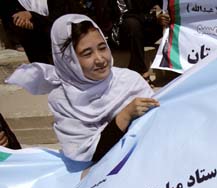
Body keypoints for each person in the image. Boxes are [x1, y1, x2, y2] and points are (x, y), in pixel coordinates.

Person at [7, 14, 159, 162]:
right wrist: (125, 115)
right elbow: (89, 154)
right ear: (68, 60)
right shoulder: (63, 100)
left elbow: (159, 124)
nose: (100, 59)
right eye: (87, 53)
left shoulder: (129, 80)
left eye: (102, 48)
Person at [1, 0, 85, 63]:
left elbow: (62, 16)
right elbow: (10, 18)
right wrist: (22, 23)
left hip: (65, 42)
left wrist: (31, 15)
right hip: (35, 45)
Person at [106, 0, 170, 80]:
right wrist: (153, 17)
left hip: (146, 29)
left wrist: (160, 12)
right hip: (123, 35)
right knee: (132, 23)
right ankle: (139, 71)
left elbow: (156, 6)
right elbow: (123, 16)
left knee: (169, 16)